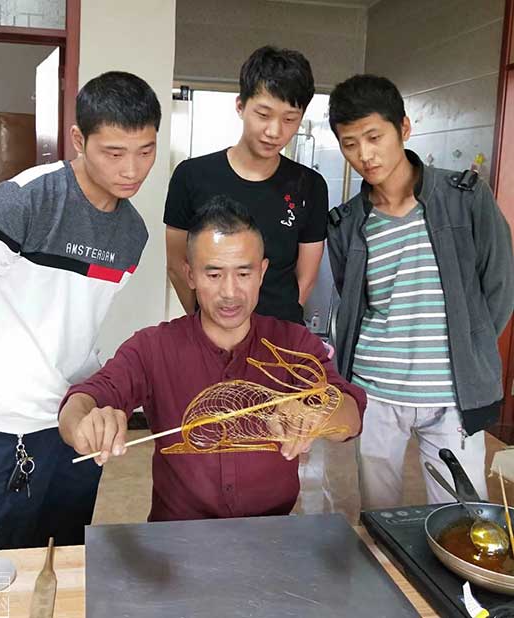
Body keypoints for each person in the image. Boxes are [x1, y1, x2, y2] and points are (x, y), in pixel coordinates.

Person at [0, 71, 162, 549]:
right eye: (114, 153)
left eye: (146, 151)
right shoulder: (26, 200)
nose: (132, 170)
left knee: (65, 549)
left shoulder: (132, 233)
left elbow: (72, 315)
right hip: (4, 424)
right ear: (79, 139)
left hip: (77, 413)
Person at [59, 197, 366, 522]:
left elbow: (352, 415)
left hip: (272, 533)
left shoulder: (294, 343)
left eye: (244, 273)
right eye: (214, 274)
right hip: (178, 537)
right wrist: (84, 423)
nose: (230, 292)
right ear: (190, 275)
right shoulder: (153, 347)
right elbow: (82, 401)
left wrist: (322, 415)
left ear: (262, 272)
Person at [326, 74, 514, 509]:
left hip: (453, 395)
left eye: (374, 137)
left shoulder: (465, 197)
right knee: (380, 515)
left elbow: (500, 286)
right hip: (375, 390)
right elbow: (352, 301)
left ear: (404, 129)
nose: (364, 155)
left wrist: (473, 347)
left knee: (465, 518)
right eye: (350, 143)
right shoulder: (348, 222)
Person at [164, 45, 327, 325]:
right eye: (263, 115)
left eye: (289, 119)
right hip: (212, 333)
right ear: (240, 106)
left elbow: (307, 277)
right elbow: (179, 267)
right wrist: (208, 321)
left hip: (281, 336)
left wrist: (270, 328)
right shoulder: (191, 175)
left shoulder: (309, 185)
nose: (274, 131)